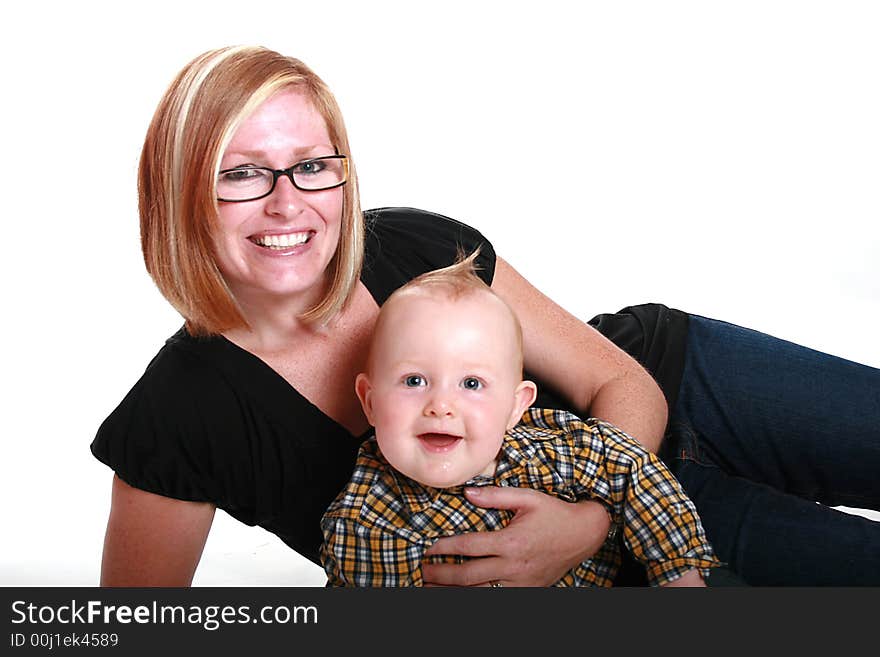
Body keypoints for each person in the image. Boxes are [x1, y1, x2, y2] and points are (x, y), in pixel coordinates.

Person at [91, 44, 879, 587]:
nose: (288, 202)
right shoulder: (177, 416)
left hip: (679, 389)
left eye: (310, 164)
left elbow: (615, 376)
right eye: (242, 173)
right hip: (620, 570)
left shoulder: (414, 244)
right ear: (180, 191)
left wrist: (588, 519)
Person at [320, 255, 720, 586]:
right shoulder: (364, 523)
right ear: (369, 401)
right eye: (414, 380)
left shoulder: (551, 450)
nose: (441, 405)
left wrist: (679, 575)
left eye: (471, 383)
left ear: (516, 407)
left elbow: (634, 470)